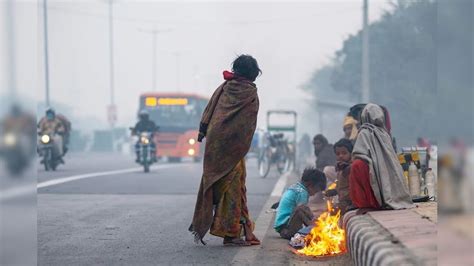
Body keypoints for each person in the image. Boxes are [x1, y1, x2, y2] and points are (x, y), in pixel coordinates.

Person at [189, 55, 261, 246]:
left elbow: (209, 110)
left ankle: (243, 230)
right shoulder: (249, 92)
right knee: (234, 187)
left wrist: (203, 131)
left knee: (225, 184)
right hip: (234, 147)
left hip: (215, 144)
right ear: (253, 73)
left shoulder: (224, 88)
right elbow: (247, 124)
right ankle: (231, 234)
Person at [350, 103, 413, 211]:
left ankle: (367, 204)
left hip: (371, 171)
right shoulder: (385, 133)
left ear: (364, 116)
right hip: (383, 172)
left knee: (357, 165)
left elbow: (359, 154)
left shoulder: (364, 132)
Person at [274, 167, 326, 240]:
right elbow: (303, 210)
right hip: (287, 230)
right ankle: (314, 229)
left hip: (283, 228)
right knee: (301, 209)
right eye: (316, 190)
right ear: (310, 185)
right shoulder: (302, 193)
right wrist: (313, 222)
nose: (314, 194)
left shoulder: (296, 187)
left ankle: (312, 227)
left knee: (304, 210)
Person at [333, 138, 354, 214]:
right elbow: (341, 187)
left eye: (344, 153)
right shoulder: (340, 168)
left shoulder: (352, 168)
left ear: (351, 154)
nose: (341, 156)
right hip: (343, 201)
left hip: (351, 204)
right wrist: (334, 191)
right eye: (338, 154)